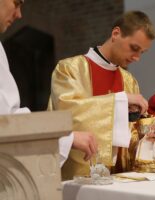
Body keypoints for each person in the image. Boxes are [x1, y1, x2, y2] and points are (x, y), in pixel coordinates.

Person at [48, 10, 155, 179]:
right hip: (78, 177)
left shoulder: (129, 81)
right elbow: (68, 114)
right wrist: (121, 100)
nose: (137, 58)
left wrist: (144, 132)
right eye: (134, 48)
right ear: (116, 33)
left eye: (142, 52)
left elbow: (129, 137)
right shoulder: (70, 69)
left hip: (121, 178)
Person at [0, 0, 98, 167]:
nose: (19, 14)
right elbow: (7, 123)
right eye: (16, 3)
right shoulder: (69, 68)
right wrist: (68, 139)